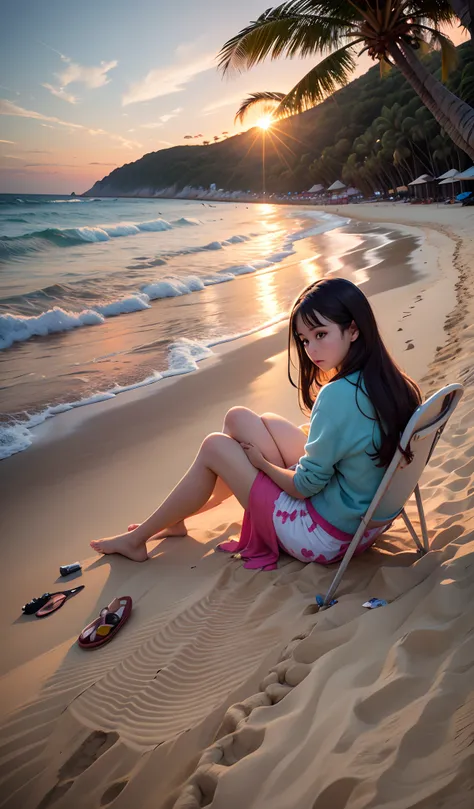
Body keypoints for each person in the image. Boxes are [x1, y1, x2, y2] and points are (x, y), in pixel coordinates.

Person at [90, 278, 422, 567]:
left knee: (215, 447)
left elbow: (305, 486)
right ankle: (176, 519)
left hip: (326, 535)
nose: (311, 349)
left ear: (353, 329)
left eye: (321, 334)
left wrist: (261, 463)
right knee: (243, 418)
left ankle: (140, 538)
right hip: (365, 515)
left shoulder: (338, 396)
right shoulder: (395, 383)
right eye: (305, 340)